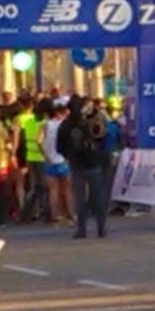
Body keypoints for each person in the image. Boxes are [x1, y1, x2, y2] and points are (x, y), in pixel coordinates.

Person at [60, 97, 110, 239]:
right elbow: (103, 138)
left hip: (76, 165)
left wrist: (69, 156)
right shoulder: (92, 121)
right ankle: (101, 228)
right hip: (94, 163)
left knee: (79, 198)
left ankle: (82, 230)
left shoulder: (65, 125)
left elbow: (60, 147)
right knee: (98, 196)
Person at [40, 99, 75, 224]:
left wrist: (45, 156)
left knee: (53, 190)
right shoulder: (66, 124)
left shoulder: (45, 124)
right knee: (67, 190)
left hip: (50, 161)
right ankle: (70, 214)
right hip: (63, 161)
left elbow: (38, 141)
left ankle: (56, 215)